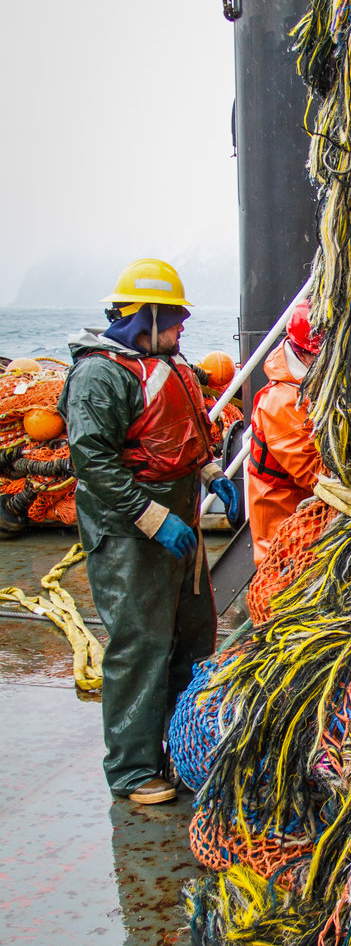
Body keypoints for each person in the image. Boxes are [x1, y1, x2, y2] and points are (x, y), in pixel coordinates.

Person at [59, 260, 241, 804]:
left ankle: (183, 749)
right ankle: (133, 769)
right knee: (139, 646)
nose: (183, 328)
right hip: (128, 538)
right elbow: (93, 460)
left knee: (191, 639)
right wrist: (153, 518)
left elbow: (180, 434)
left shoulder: (163, 363)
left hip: (178, 531)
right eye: (177, 318)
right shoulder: (100, 375)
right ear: (148, 315)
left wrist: (211, 473)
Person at [247, 299, 322, 567]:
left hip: (312, 525)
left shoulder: (311, 388)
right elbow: (316, 476)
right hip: (286, 539)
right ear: (304, 353)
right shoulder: (281, 401)